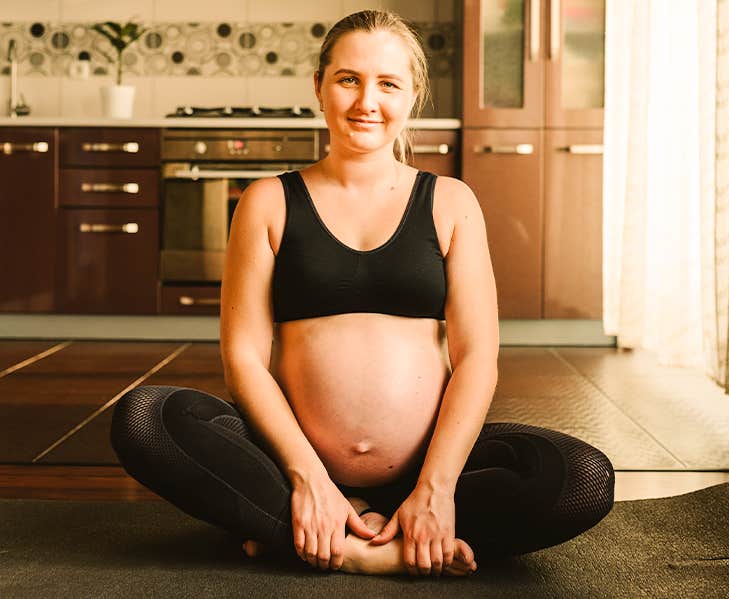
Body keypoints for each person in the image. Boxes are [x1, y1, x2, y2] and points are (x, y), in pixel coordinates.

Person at [111, 10, 614, 577]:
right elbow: (243, 360)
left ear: (413, 94)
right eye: (348, 78)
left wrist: (437, 486)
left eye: (388, 83)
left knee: (581, 476)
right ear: (319, 86)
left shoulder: (451, 202)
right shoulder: (268, 202)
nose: (365, 101)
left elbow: (477, 358)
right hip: (288, 461)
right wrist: (308, 476)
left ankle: (317, 530)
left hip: (425, 467)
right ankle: (374, 544)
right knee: (145, 416)